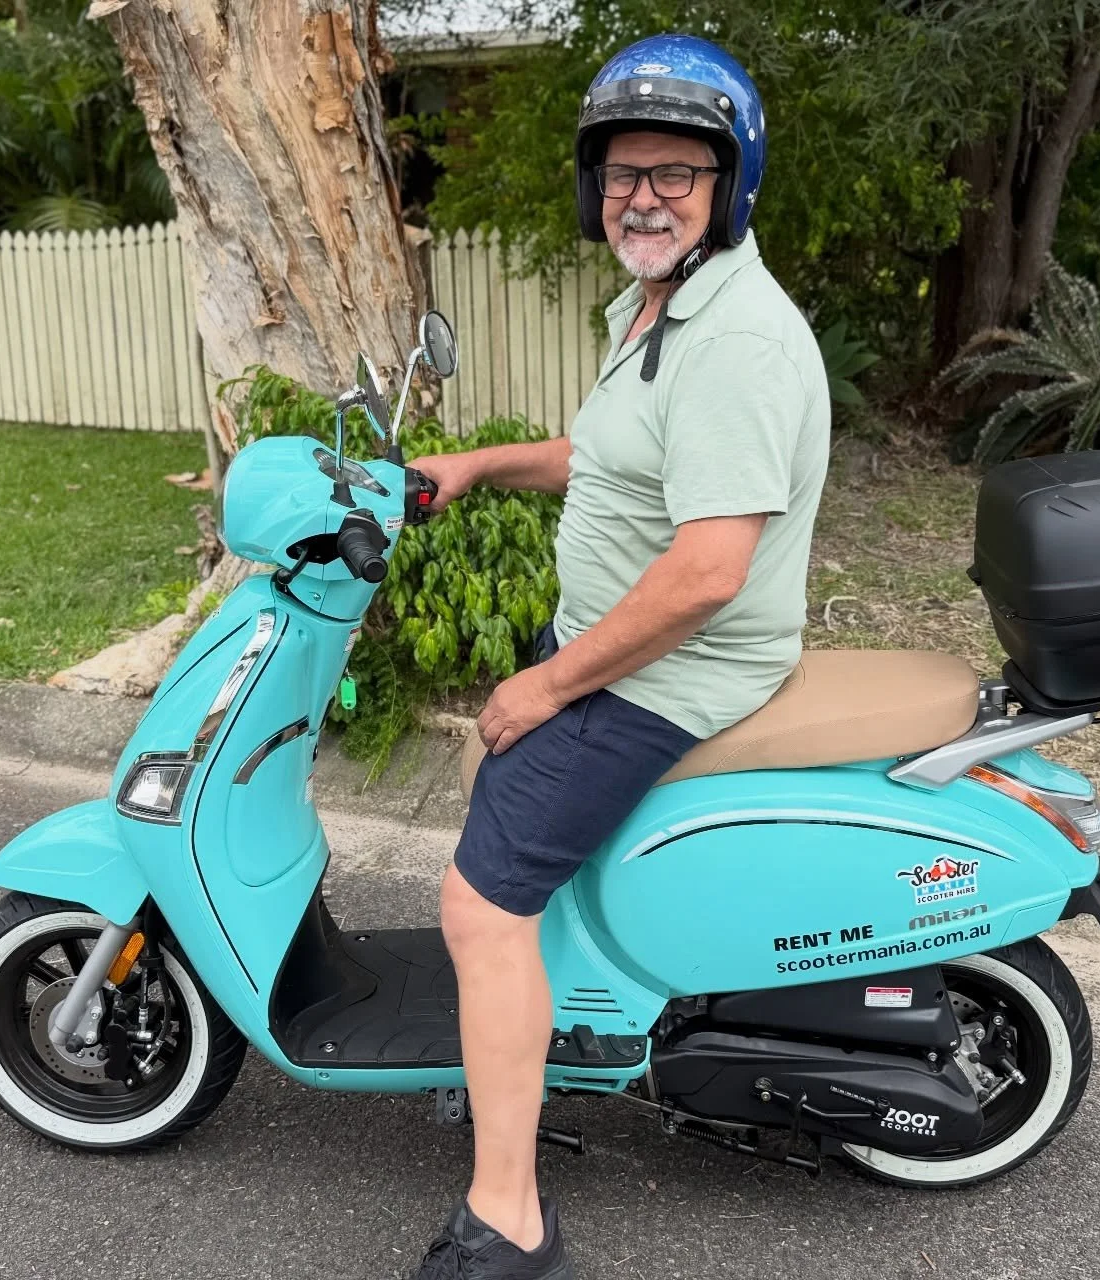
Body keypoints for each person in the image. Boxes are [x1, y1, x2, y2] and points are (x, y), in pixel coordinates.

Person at [406, 33, 830, 1279]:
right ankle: (514, 1061)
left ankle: (509, 1216)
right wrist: (480, 465)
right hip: (616, 648)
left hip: (660, 670)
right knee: (513, 873)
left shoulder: (735, 341)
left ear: (728, 184)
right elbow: (604, 453)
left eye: (677, 173)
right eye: (622, 170)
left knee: (477, 908)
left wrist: (545, 681)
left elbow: (707, 570)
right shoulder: (657, 304)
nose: (643, 193)